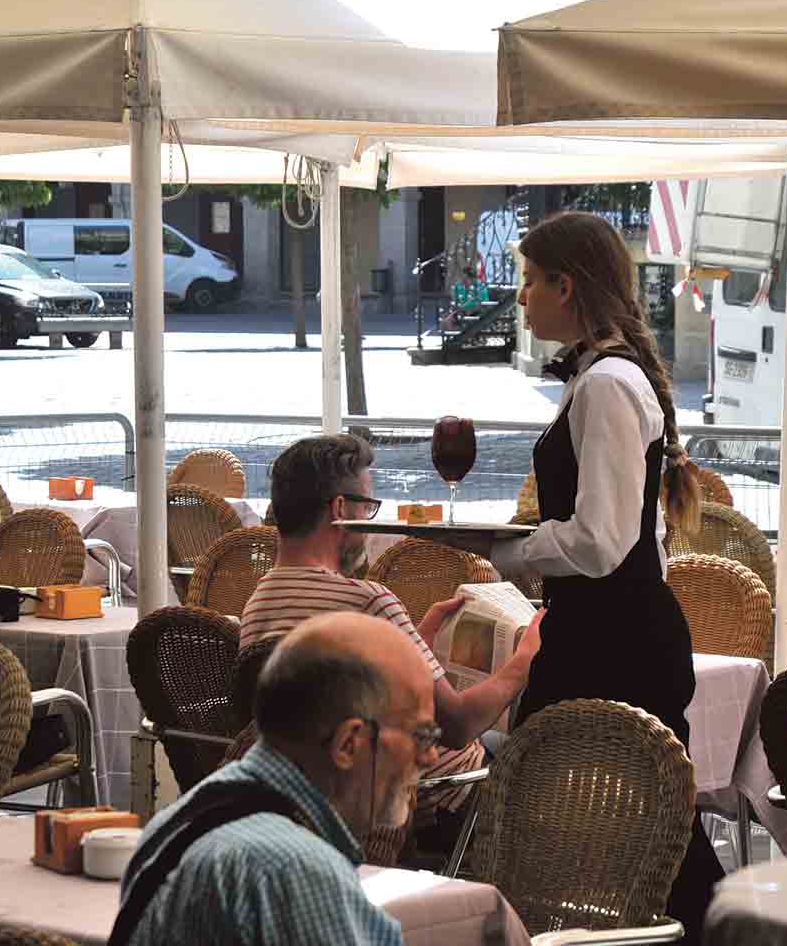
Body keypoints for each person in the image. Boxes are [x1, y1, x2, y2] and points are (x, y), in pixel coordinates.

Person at [481, 211, 720, 940]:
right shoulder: (602, 376)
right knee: (635, 826)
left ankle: (737, 929)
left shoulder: (608, 383)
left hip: (611, 637)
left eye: (528, 280)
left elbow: (602, 542)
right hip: (607, 630)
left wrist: (507, 552)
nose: (520, 297)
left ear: (566, 284)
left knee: (645, 830)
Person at [239, 434, 541, 854]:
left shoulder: (258, 602)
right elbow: (457, 726)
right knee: (536, 754)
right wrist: (524, 658)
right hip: (435, 796)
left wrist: (417, 639)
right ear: (341, 510)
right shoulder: (368, 600)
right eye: (368, 506)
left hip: (316, 805)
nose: (370, 520)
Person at [112, 612, 439, 946]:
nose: (431, 757)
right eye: (423, 735)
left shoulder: (181, 819)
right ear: (347, 744)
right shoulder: (295, 871)